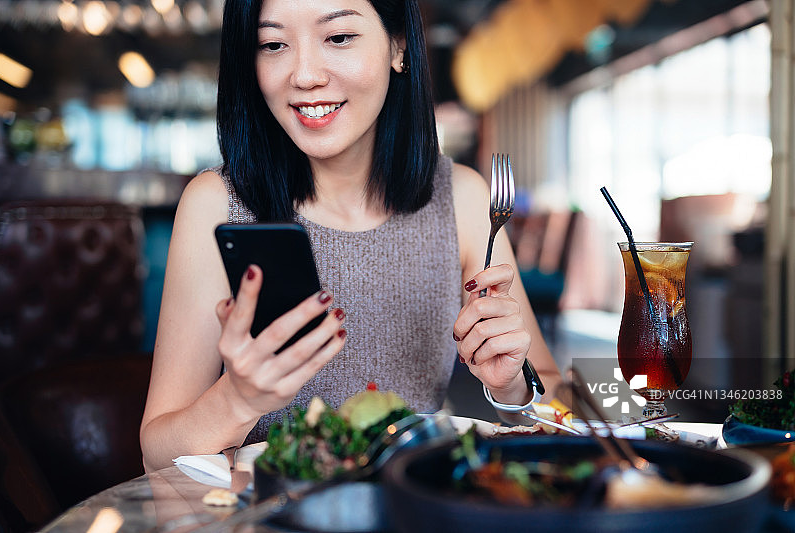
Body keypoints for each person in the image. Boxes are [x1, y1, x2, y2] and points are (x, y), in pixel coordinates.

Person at [140, 0, 563, 472]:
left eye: (338, 37)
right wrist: (237, 399)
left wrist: (512, 387)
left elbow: (556, 402)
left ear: (398, 46)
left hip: (410, 502)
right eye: (273, 44)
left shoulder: (460, 198)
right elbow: (156, 453)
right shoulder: (217, 204)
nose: (305, 75)